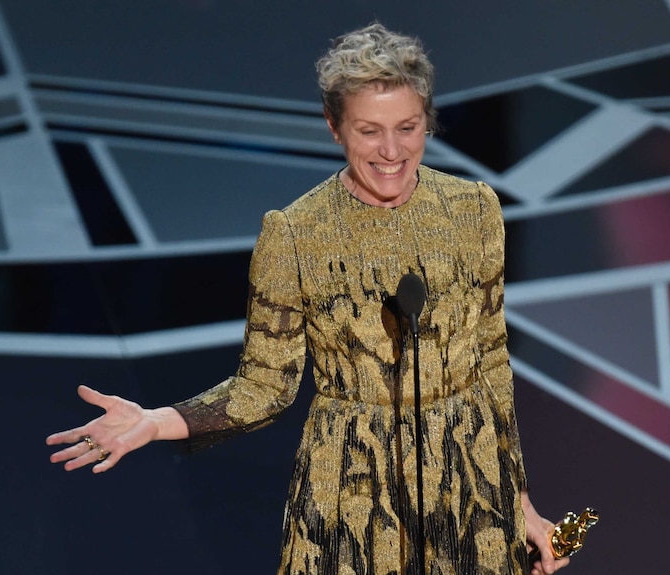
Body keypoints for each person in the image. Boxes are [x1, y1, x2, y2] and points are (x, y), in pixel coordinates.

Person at [47, 22, 569, 575]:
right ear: (334, 127)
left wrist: (519, 501)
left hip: (468, 479)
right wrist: (157, 421)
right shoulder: (295, 233)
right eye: (369, 131)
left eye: (408, 127)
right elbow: (265, 385)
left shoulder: (474, 209)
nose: (391, 151)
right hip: (352, 488)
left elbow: (490, 358)